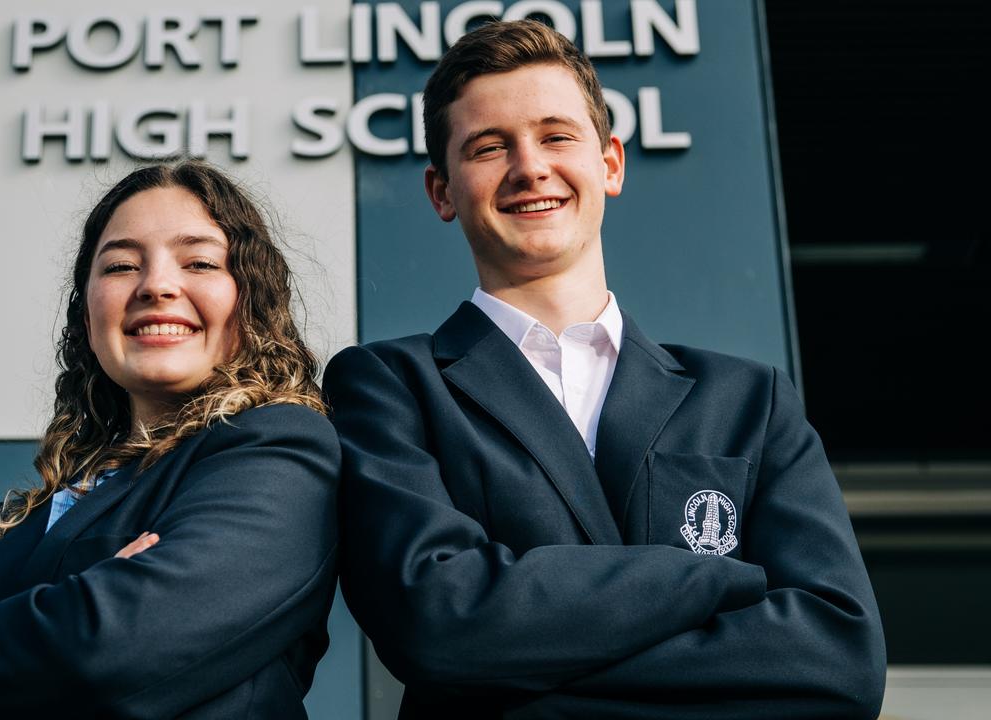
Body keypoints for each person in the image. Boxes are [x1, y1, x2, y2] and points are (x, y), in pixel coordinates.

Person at [323, 20, 886, 719]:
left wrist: (522, 684)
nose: (530, 167)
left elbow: (838, 661)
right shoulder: (388, 388)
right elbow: (441, 627)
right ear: (441, 192)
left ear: (611, 163)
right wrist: (716, 580)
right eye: (490, 147)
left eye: (556, 136)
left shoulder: (751, 401)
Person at [0, 160, 340, 719]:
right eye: (121, 265)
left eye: (199, 262)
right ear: (87, 307)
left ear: (251, 298)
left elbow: (109, 650)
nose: (157, 286)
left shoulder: (280, 446)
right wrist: (79, 608)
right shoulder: (19, 520)